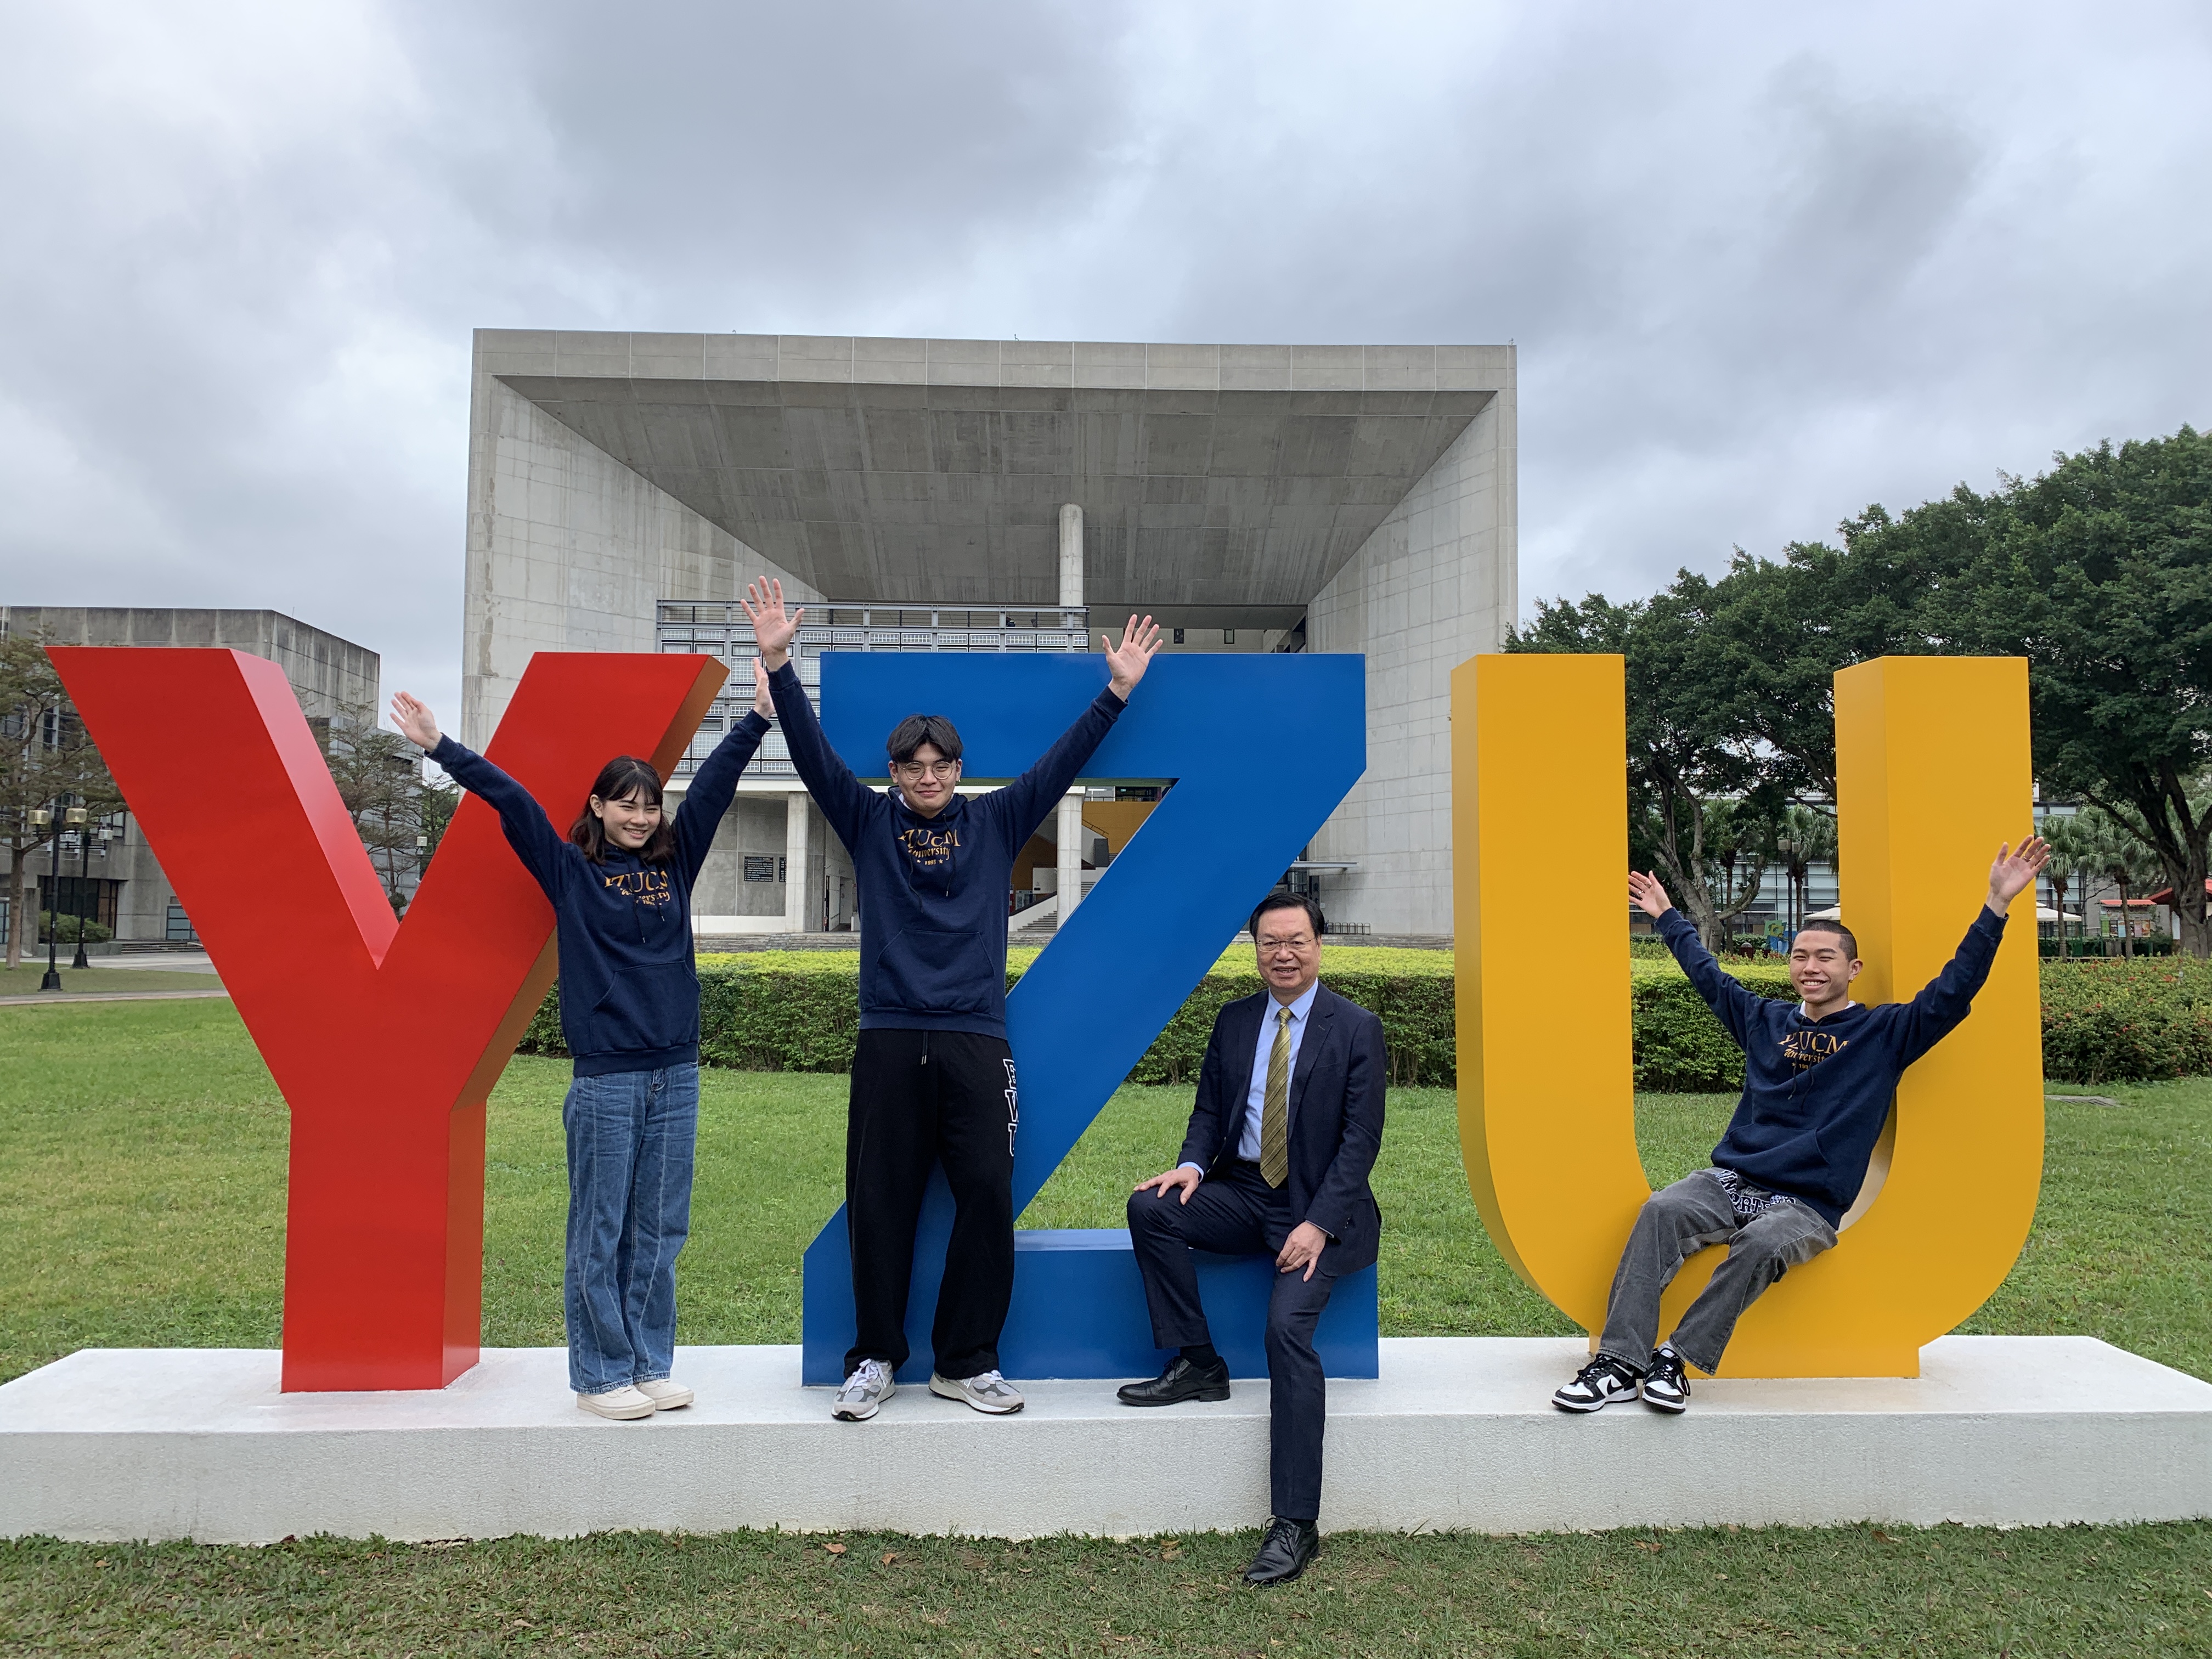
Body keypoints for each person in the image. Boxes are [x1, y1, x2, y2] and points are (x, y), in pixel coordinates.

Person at [740, 577, 1162, 1423]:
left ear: (958, 771)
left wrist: (1116, 692)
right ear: (894, 773)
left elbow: (1060, 764)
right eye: (913, 767)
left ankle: (966, 1362)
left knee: (986, 1199)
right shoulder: (868, 822)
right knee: (880, 1205)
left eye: (940, 766)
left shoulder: (996, 821)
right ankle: (874, 1360)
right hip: (891, 1039)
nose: (928, 777)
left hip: (976, 1042)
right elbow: (815, 758)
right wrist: (780, 665)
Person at [388, 665, 776, 1420]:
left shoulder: (674, 863)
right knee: (601, 1229)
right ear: (598, 807)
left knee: (660, 1228)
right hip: (607, 1079)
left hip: (675, 1073)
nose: (640, 817)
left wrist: (757, 719)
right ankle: (600, 1376)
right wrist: (442, 748)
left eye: (650, 805)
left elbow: (714, 789)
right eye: (626, 804)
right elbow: (512, 801)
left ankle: (648, 1364)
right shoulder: (571, 870)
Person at [1553, 836, 2050, 1417]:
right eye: (1800, 957)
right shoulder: (1764, 1021)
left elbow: (1955, 987)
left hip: (1807, 1204)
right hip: (1732, 1181)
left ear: (1852, 969)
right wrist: (1666, 916)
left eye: (1825, 958)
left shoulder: (1884, 1035)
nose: (1810, 968)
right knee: (1661, 1211)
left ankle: (1675, 1360)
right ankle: (1619, 1363)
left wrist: (1996, 905)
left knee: (1762, 1243)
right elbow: (1708, 976)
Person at [1119, 890, 1386, 1587]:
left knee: (1285, 1334)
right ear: (1257, 950)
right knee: (1151, 1209)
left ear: (1319, 946)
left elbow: (1361, 1141)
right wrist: (1190, 1165)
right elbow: (1210, 1111)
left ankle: (1296, 1523)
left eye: (1297, 941)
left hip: (1316, 1207)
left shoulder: (1357, 1028)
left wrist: (1318, 1224)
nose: (1284, 954)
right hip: (1242, 1191)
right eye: (1271, 943)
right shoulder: (1236, 1020)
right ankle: (1200, 1363)